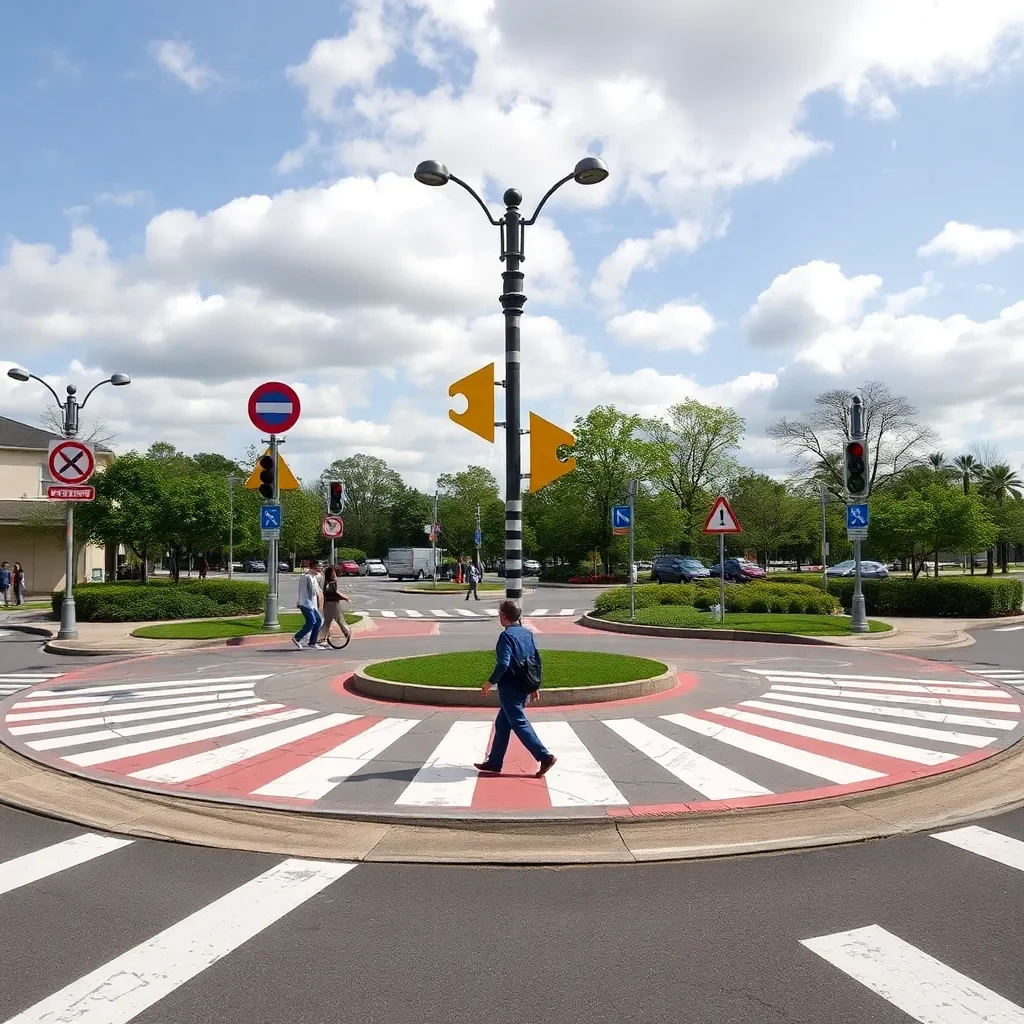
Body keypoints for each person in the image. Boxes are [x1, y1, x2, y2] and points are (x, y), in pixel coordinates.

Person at [474, 600, 556, 778]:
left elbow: (503, 664)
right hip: (524, 685)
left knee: (518, 722)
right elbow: (535, 660)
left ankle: (544, 756)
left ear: (504, 616)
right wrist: (534, 686)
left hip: (510, 687)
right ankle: (495, 762)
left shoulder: (506, 636)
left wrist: (489, 682)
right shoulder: (527, 633)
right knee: (502, 723)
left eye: (499, 614)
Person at [292, 560, 326, 650]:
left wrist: (320, 604)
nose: (321, 568)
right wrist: (300, 602)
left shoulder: (313, 577)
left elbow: (318, 592)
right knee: (311, 621)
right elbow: (303, 591)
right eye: (320, 566)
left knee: (318, 621)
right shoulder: (306, 577)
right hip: (305, 603)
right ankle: (297, 637)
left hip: (312, 604)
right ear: (314, 567)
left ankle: (312, 642)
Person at [319, 565, 353, 645]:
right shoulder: (331, 583)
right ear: (331, 574)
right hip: (332, 603)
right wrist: (345, 598)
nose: (335, 574)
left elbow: (336, 592)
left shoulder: (328, 582)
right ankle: (346, 632)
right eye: (334, 572)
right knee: (337, 619)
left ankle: (323, 637)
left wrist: (345, 597)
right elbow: (334, 593)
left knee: (328, 621)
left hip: (329, 603)